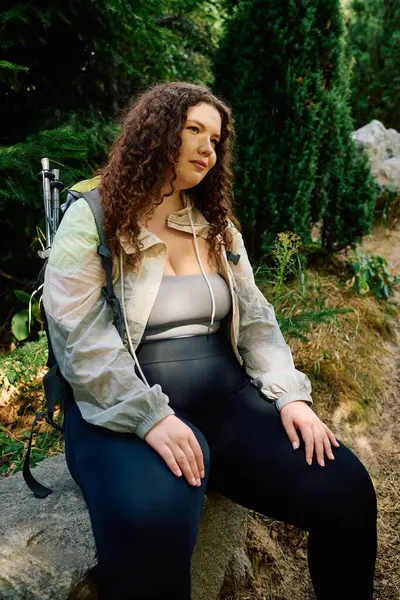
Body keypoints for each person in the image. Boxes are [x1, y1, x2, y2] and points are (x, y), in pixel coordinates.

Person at [43, 81, 377, 600]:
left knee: (345, 488)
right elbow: (79, 340)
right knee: (154, 519)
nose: (207, 147)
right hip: (122, 411)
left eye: (216, 139)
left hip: (227, 401)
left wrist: (291, 395)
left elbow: (257, 318)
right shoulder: (92, 216)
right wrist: (149, 417)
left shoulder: (213, 224)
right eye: (193, 130)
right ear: (155, 132)